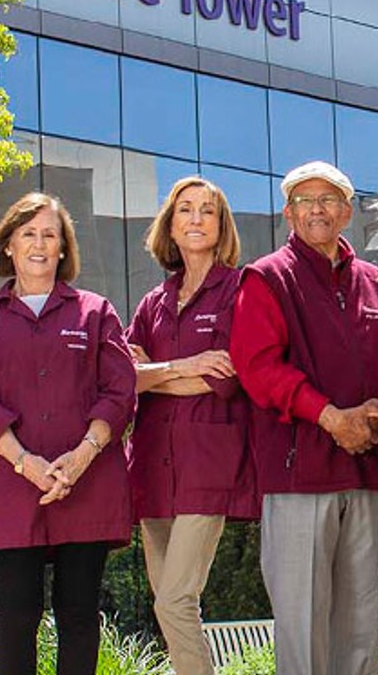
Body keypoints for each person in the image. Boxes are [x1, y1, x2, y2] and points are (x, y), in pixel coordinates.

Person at [0, 192, 135, 675]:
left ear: (63, 247)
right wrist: (24, 461)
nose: (38, 243)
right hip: (11, 484)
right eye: (28, 233)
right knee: (17, 611)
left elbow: (120, 391)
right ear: (8, 245)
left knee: (78, 612)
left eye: (49, 234)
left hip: (87, 482)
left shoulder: (95, 312)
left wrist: (83, 455)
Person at [231, 161, 378, 675]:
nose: (317, 210)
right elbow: (257, 368)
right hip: (298, 476)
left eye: (328, 199)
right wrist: (330, 418)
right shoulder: (266, 278)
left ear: (347, 212)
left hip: (368, 473)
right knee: (302, 629)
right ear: (288, 213)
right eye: (304, 201)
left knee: (360, 629)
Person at [125, 176, 259, 675]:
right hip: (152, 467)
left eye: (208, 210)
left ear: (222, 226)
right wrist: (184, 367)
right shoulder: (152, 303)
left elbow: (224, 379)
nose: (196, 218)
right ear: (171, 224)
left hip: (209, 466)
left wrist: (155, 373)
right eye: (185, 209)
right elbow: (123, 378)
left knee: (174, 601)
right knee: (170, 602)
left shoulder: (241, 290)